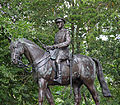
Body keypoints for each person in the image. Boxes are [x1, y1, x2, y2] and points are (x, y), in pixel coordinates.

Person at [46, 18, 71, 84]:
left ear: (63, 23)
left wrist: (56, 46)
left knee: (57, 60)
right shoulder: (56, 34)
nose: (58, 24)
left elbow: (67, 42)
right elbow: (55, 45)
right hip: (57, 51)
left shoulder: (66, 32)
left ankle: (59, 77)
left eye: (59, 22)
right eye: (57, 23)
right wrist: (49, 47)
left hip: (64, 51)